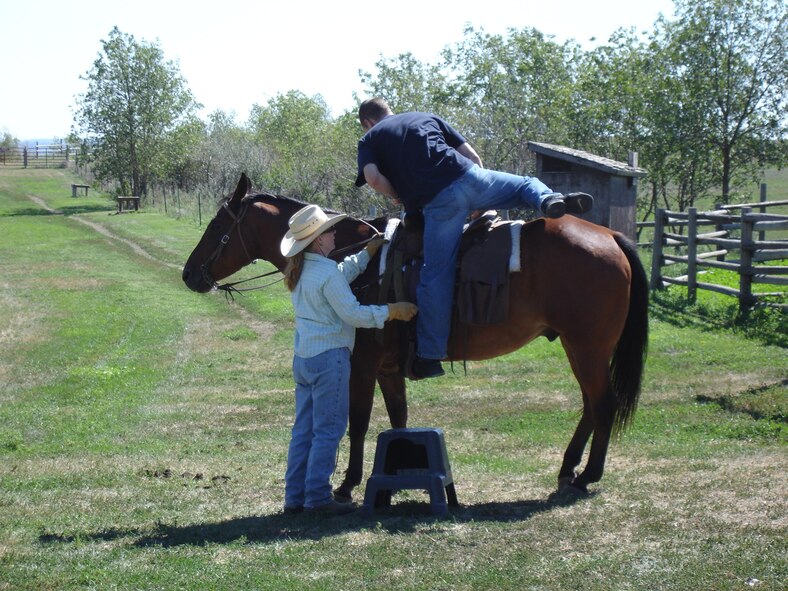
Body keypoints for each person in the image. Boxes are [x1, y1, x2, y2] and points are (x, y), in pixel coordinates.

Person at [355, 97, 593, 379]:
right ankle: (549, 200)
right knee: (526, 183)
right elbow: (472, 156)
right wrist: (479, 199)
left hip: (440, 202)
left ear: (368, 122)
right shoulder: (425, 116)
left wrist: (397, 194)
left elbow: (372, 177)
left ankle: (429, 355)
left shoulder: (370, 138)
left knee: (435, 275)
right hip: (471, 177)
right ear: (389, 110)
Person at [280, 204, 418, 516]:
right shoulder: (326, 273)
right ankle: (317, 498)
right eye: (328, 231)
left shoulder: (302, 270)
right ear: (317, 241)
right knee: (329, 429)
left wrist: (366, 255)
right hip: (330, 360)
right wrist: (392, 311)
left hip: (304, 359)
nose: (333, 234)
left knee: (304, 430)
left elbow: (339, 277)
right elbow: (353, 314)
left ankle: (295, 496)